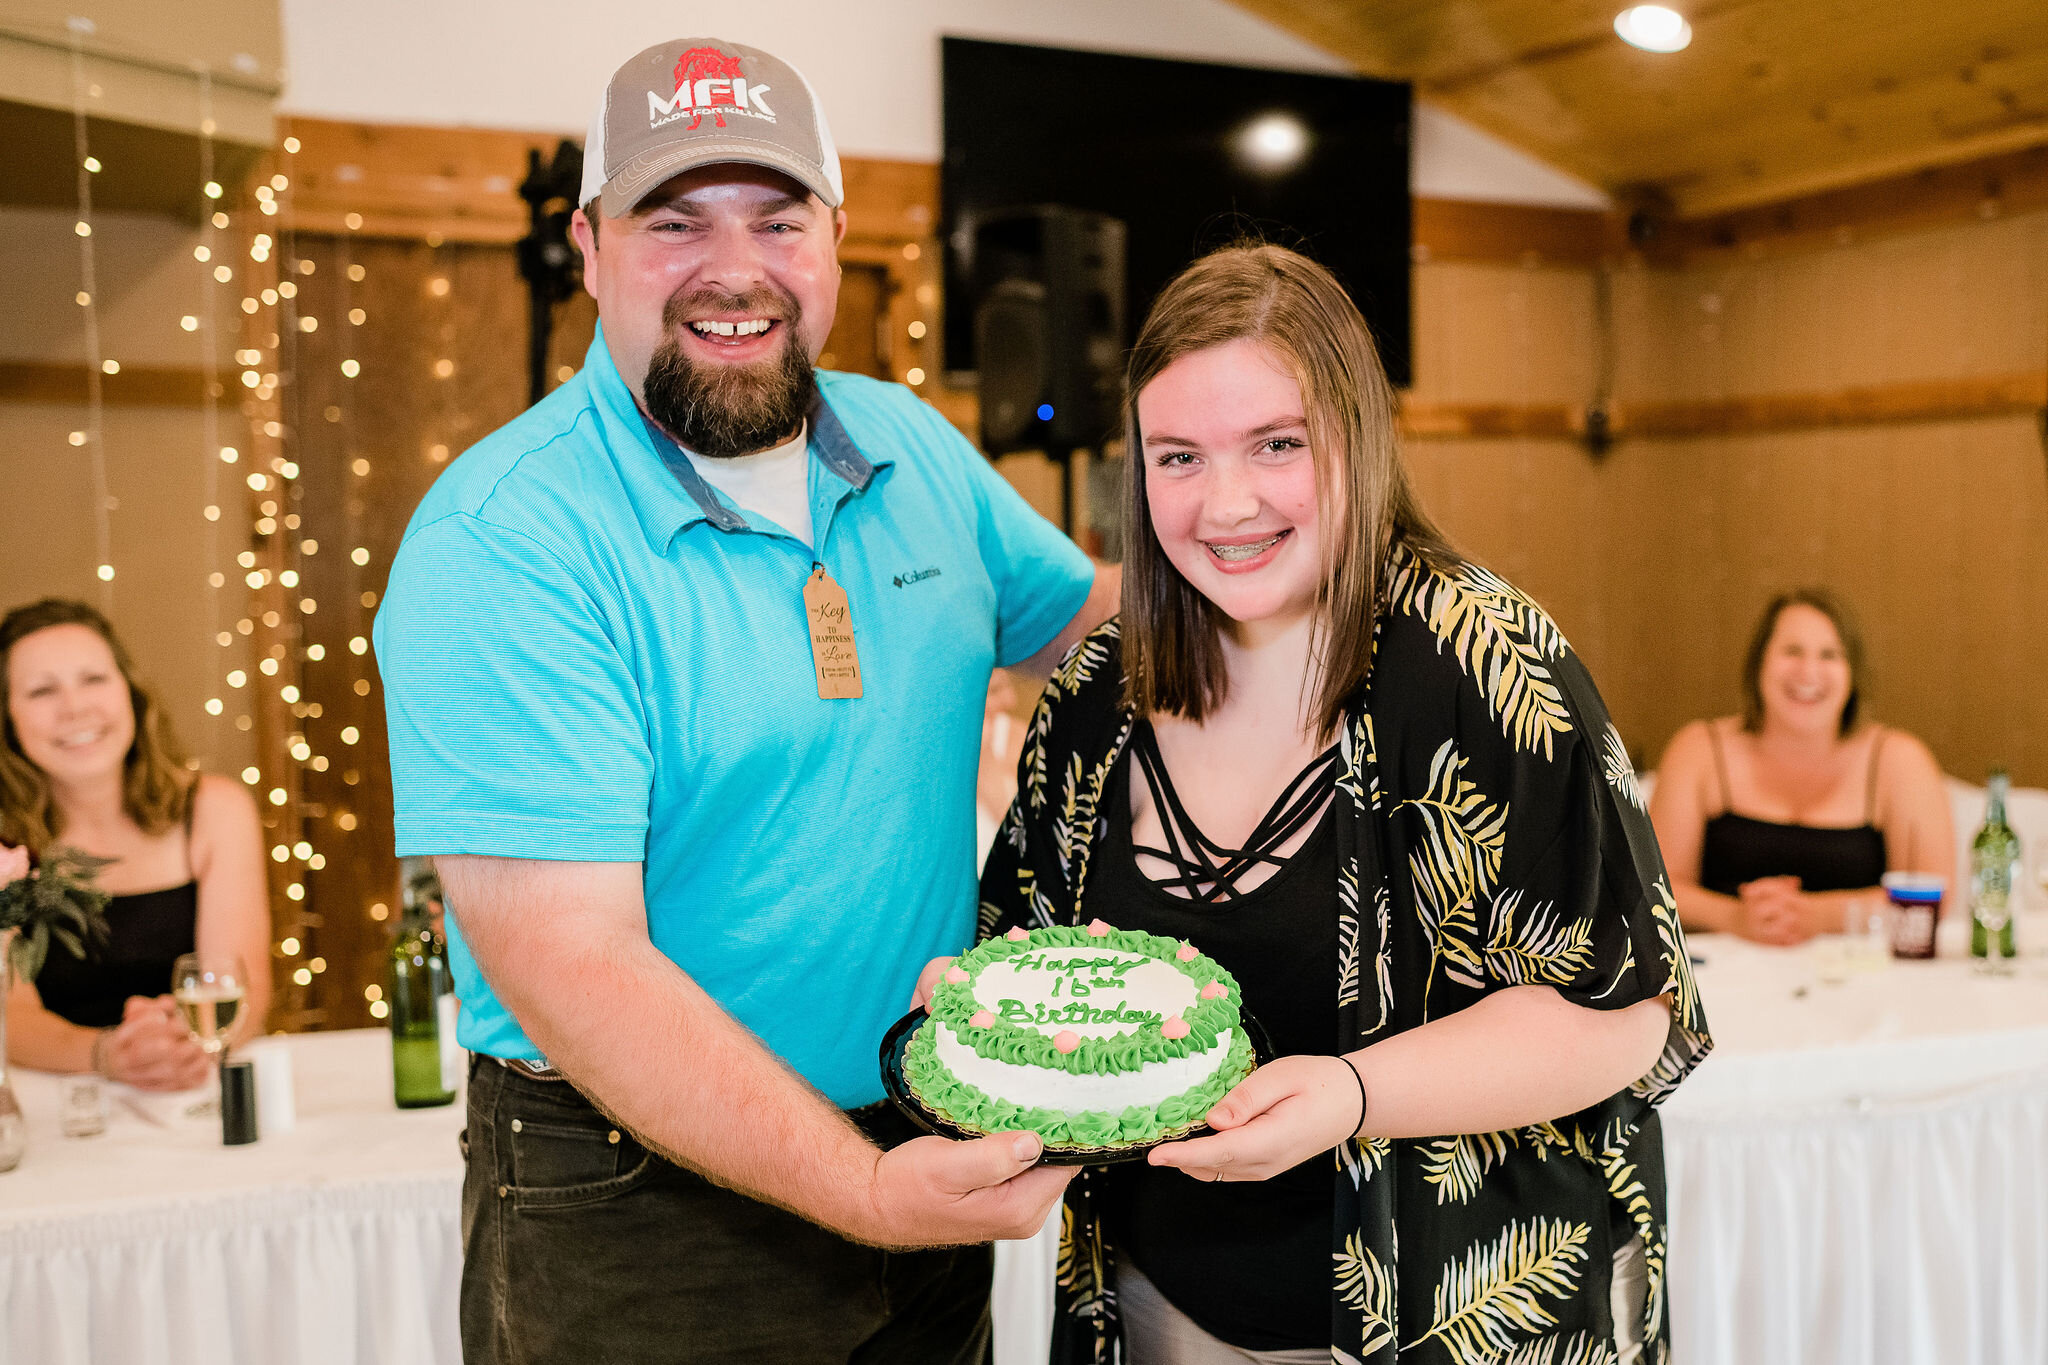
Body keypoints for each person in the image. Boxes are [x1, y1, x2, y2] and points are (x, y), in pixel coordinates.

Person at [373, 37, 1115, 1365]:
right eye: (676, 223)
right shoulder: (502, 537)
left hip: (922, 1135)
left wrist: (1292, 558)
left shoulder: (913, 446)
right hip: (635, 1210)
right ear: (591, 249)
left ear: (833, 241)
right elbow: (576, 965)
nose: (736, 269)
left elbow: (1093, 632)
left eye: (778, 220)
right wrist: (866, 1194)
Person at [929, 244, 1710, 1364]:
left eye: (1275, 445)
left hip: (1451, 1321)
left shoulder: (1478, 663)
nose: (1225, 502)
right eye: (1177, 456)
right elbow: (1018, 956)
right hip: (1154, 1313)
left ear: (1356, 439)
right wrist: (980, 1007)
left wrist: (1351, 1094)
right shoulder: (1101, 689)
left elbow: (1622, 1016)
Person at [1, 598, 270, 1088]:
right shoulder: (4, 842)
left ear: (131, 693)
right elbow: (8, 1017)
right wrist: (108, 1054)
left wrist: (176, 1047)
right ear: (8, 720)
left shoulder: (213, 809)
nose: (75, 708)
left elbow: (242, 990)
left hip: (193, 1085)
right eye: (42, 691)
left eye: (94, 679)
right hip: (56, 1105)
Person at [1649, 590, 1953, 945]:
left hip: (1862, 979)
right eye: (1792, 651)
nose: (1808, 672)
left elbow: (1933, 900)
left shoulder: (1899, 760)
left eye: (1830, 655)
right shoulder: (1698, 750)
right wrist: (1734, 918)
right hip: (1722, 980)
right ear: (1758, 663)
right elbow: (1655, 887)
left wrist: (1818, 916)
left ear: (1853, 675)